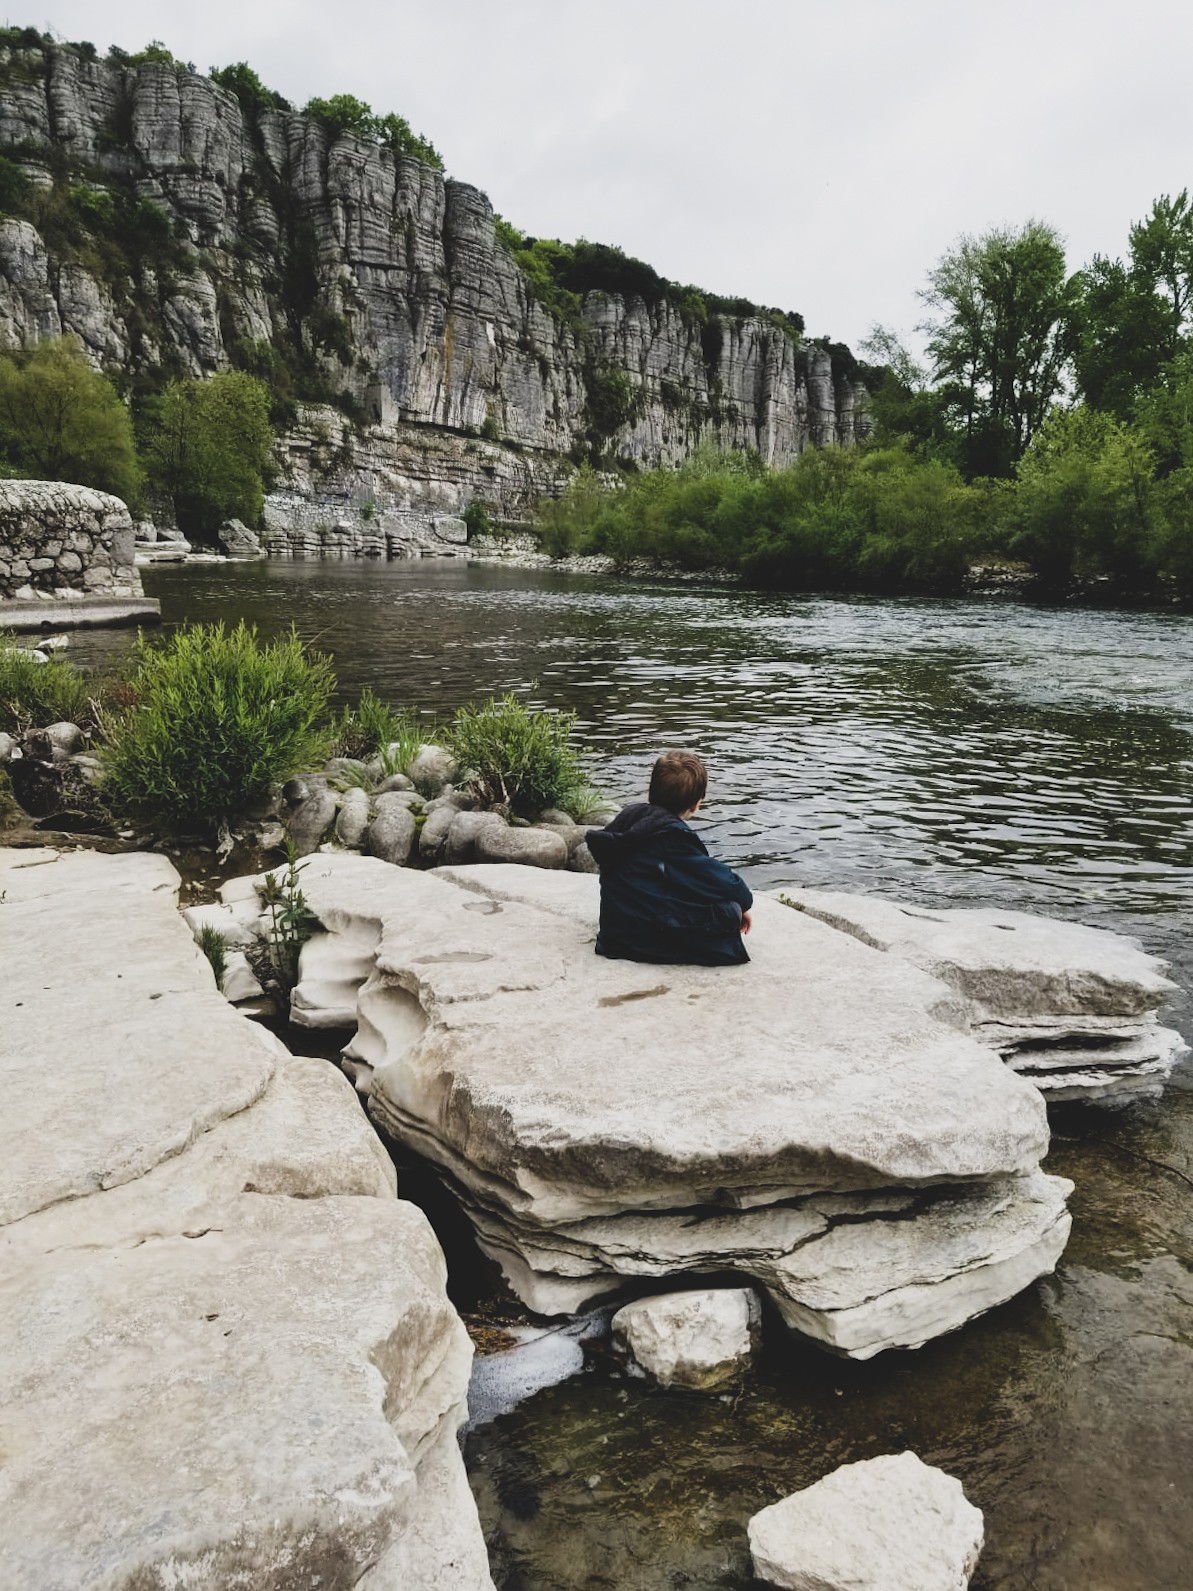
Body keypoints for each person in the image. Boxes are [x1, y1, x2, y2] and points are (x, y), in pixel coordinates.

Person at [587, 750, 754, 966]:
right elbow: (718, 880)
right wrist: (743, 903)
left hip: (615, 930)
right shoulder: (672, 838)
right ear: (695, 804)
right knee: (729, 911)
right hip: (644, 936)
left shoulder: (630, 817)